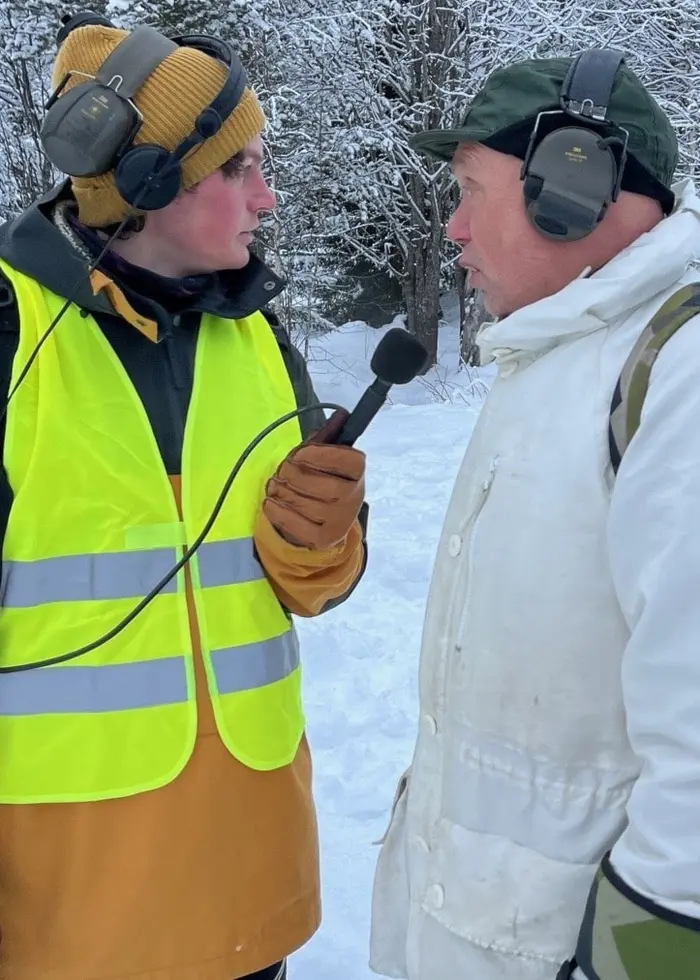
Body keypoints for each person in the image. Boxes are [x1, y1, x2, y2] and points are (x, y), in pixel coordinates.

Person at [0, 13, 369, 980]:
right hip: (70, 915)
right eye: (238, 168)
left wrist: (320, 548)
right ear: (149, 183)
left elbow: (307, 587)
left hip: (251, 894)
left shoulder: (255, 335)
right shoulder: (11, 337)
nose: (269, 198)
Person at [370, 47, 700, 980]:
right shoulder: (562, 355)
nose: (455, 229)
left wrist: (643, 959)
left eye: (473, 190)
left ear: (574, 186)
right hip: (480, 932)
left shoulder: (679, 372)